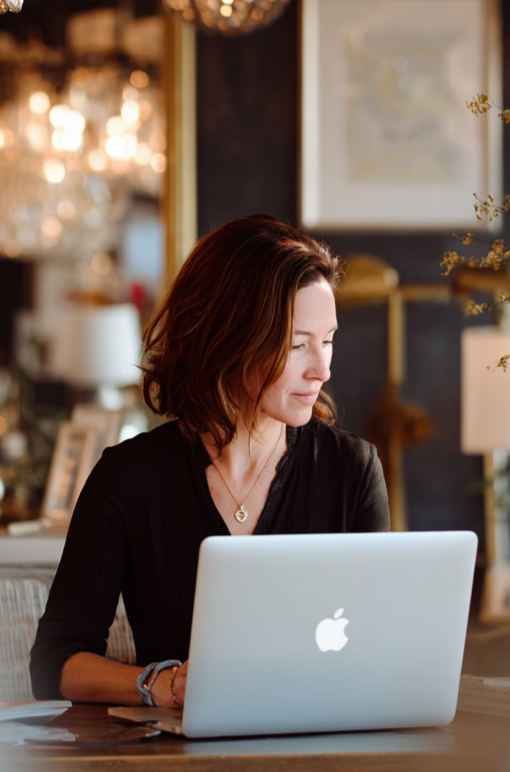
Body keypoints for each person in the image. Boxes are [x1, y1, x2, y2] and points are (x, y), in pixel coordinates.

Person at [30, 215, 390, 707]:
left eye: (327, 340)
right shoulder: (127, 479)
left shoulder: (353, 470)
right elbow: (56, 663)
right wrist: (166, 685)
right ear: (230, 338)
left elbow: (382, 651)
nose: (322, 369)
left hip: (323, 759)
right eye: (297, 344)